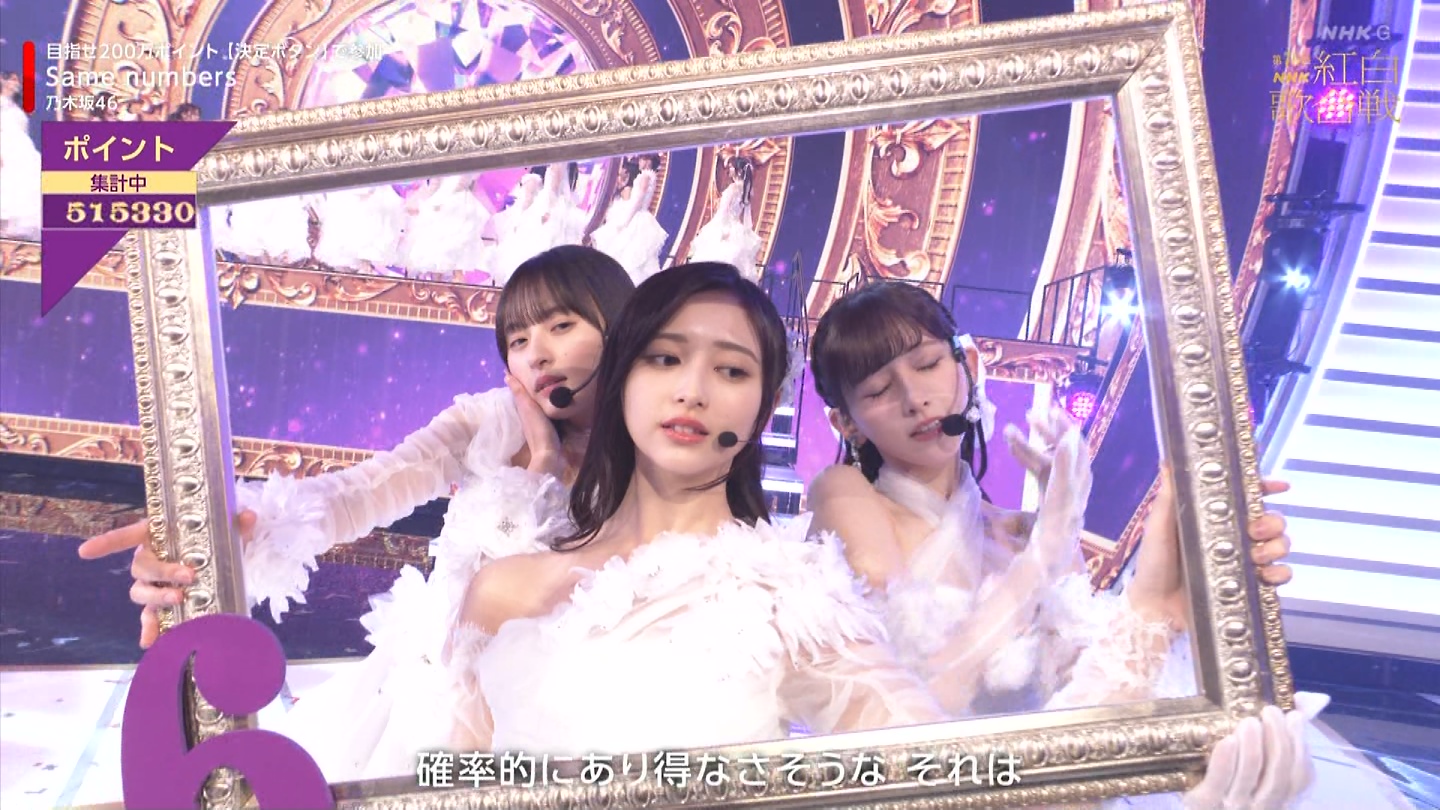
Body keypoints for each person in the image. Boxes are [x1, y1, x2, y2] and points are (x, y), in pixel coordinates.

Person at [807, 280, 1315, 807]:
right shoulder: (842, 494)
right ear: (846, 423)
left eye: (929, 364)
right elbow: (910, 705)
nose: (915, 399)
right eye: (878, 391)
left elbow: (1095, 703)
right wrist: (1050, 544)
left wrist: (1192, 590)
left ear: (969, 364)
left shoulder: (1025, 533)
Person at [77, 245, 635, 649]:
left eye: (561, 326)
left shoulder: (660, 440)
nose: (536, 355)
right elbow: (361, 492)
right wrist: (225, 534)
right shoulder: (486, 423)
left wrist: (548, 466)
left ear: (620, 327)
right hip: (456, 681)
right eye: (518, 339)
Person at [492, 163, 586, 285]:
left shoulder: (546, 170)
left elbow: (550, 190)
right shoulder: (546, 173)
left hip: (548, 207)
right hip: (549, 206)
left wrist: (547, 210)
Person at [590, 154, 669, 284]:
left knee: (629, 254)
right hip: (639, 215)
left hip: (636, 216)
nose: (641, 162)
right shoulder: (649, 175)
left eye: (644, 159)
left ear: (650, 161)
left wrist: (625, 220)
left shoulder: (645, 176)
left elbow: (638, 200)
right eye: (641, 159)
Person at [400, 174, 493, 280]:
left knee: (453, 245)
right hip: (448, 200)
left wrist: (438, 199)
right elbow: (436, 184)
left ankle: (450, 279)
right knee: (441, 246)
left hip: (456, 203)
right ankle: (440, 279)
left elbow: (461, 183)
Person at [688, 155, 763, 283]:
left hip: (725, 226)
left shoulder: (733, 188)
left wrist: (716, 229)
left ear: (739, 171)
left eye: (731, 167)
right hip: (736, 226)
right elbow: (743, 213)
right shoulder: (746, 189)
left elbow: (723, 211)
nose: (729, 169)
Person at [0, 71, 42, 240]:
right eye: (12, 80)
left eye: (17, 81)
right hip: (5, 147)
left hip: (23, 150)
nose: (16, 84)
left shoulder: (17, 109)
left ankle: (12, 233)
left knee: (24, 187)